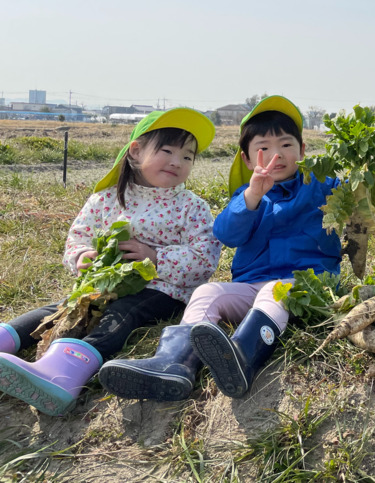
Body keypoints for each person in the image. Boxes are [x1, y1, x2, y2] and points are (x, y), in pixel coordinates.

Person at [100, 96, 342, 401]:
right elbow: (227, 234)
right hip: (251, 286)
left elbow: (356, 201)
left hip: (308, 283)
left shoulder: (321, 184)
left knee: (276, 290)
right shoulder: (248, 195)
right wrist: (254, 195)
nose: (276, 155)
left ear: (303, 150)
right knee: (207, 293)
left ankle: (244, 355)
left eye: (286, 145)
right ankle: (175, 363)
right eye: (263, 148)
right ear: (247, 159)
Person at [0, 108, 220, 416]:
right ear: (136, 151)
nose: (176, 161)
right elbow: (77, 238)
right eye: (167, 150)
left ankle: (63, 375)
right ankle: (6, 339)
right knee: (61, 309)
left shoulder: (191, 207)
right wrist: (82, 257)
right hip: (102, 286)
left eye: (187, 156)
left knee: (122, 313)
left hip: (162, 290)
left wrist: (156, 256)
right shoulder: (105, 199)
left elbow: (205, 257)